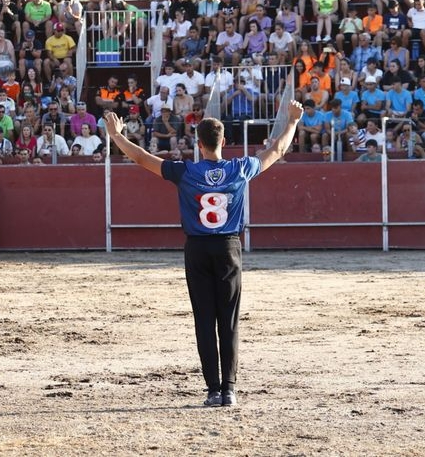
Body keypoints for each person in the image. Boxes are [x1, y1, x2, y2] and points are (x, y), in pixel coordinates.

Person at [104, 95, 302, 407]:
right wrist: (292, 121)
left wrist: (116, 135)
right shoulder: (239, 169)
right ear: (224, 140)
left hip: (197, 249)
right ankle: (230, 389)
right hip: (228, 249)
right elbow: (276, 150)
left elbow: (142, 158)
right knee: (229, 321)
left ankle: (213, 389)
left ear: (198, 142)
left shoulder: (186, 172)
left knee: (204, 320)